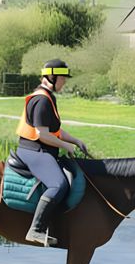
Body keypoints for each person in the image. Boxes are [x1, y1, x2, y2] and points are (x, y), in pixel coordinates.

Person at [14, 59, 88, 246]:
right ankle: (36, 230)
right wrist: (66, 146)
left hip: (41, 149)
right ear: (52, 77)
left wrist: (75, 141)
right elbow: (43, 135)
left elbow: (55, 131)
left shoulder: (48, 97)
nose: (64, 82)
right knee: (58, 185)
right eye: (62, 78)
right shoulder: (41, 100)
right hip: (34, 151)